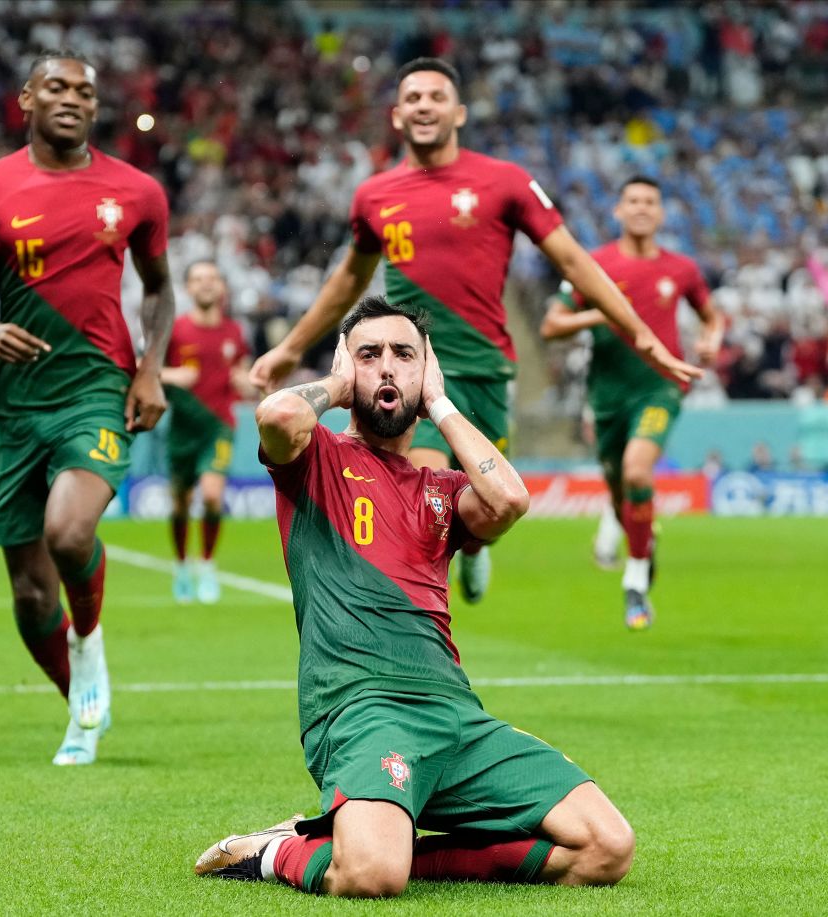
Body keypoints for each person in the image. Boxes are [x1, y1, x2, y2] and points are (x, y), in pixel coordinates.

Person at [195, 297, 635, 897]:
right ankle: (276, 850)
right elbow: (277, 414)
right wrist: (338, 384)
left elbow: (510, 500)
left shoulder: (443, 489)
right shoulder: (316, 458)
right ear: (346, 366)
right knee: (372, 876)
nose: (386, 366)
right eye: (368, 354)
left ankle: (380, 847)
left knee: (606, 848)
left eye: (404, 355)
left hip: (455, 715)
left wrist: (440, 404)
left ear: (426, 371)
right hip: (362, 708)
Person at [250, 58, 700, 607]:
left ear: (458, 112)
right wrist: (291, 347)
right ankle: (412, 627)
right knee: (417, 496)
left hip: (487, 371)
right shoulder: (375, 195)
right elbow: (349, 279)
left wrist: (642, 335)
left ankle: (474, 548)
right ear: (397, 115)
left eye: (436, 97)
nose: (424, 106)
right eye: (413, 98)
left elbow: (572, 260)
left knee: (487, 506)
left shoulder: (504, 182)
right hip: (415, 372)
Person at [0, 50, 174, 766]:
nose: (72, 98)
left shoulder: (136, 191)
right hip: (16, 407)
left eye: (85, 91)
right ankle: (81, 709)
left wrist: (150, 370)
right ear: (26, 99)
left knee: (69, 534)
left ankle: (89, 639)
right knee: (30, 595)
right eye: (56, 87)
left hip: (97, 388)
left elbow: (159, 288)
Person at [540, 177, 723, 630]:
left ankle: (635, 582)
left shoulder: (681, 269)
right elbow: (551, 326)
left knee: (638, 471)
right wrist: (603, 310)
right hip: (607, 397)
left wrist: (711, 339)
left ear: (661, 214)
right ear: (618, 211)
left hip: (661, 387)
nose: (641, 208)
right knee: (624, 496)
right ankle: (644, 543)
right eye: (633, 201)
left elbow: (712, 315)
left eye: (650, 202)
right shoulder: (593, 266)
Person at [159, 259, 252, 604]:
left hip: (219, 426)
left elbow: (244, 375)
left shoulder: (234, 332)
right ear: (188, 288)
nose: (206, 284)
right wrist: (173, 376)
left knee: (212, 496)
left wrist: (247, 382)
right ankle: (182, 565)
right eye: (198, 279)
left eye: (212, 278)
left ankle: (208, 564)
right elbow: (144, 370)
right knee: (180, 505)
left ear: (222, 286)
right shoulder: (175, 330)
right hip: (182, 428)